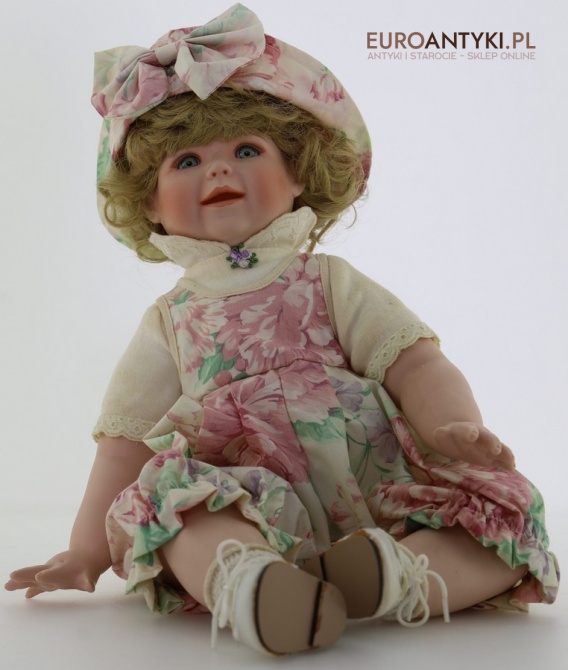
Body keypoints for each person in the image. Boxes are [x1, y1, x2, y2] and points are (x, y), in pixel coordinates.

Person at [5, 3, 559, 657]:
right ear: (150, 202)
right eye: (186, 161)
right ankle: (248, 579)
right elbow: (124, 444)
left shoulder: (330, 281)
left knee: (505, 510)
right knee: (178, 506)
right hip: (244, 492)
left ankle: (396, 576)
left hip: (373, 479)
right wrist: (85, 551)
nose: (218, 170)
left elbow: (414, 361)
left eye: (246, 150)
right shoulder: (168, 321)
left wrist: (450, 428)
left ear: (297, 173)